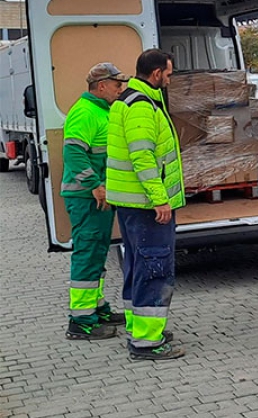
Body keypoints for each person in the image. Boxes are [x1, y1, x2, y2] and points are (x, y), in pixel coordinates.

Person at [106, 49, 185, 360]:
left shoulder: (128, 100)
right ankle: (147, 342)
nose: (170, 78)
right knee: (154, 267)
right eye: (168, 73)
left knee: (138, 264)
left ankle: (138, 327)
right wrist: (160, 199)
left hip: (131, 203)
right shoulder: (141, 106)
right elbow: (143, 157)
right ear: (156, 74)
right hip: (145, 205)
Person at [61, 63, 130, 340]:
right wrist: (95, 186)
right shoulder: (85, 112)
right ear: (101, 86)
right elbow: (74, 154)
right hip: (87, 197)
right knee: (87, 254)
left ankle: (96, 308)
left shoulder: (101, 110)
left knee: (97, 253)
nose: (120, 89)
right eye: (116, 84)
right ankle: (81, 322)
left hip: (95, 197)